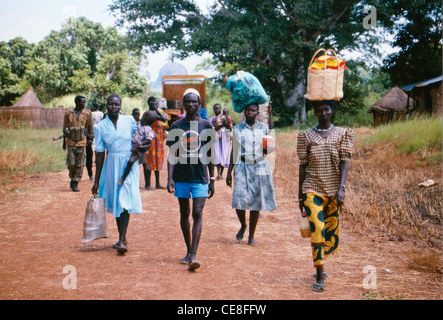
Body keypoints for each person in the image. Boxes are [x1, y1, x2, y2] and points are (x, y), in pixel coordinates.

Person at [297, 100, 354, 292]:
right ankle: (320, 272)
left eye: (326, 109)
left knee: (330, 233)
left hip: (333, 191)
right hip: (312, 189)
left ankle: (321, 263)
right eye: (319, 110)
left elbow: (345, 161)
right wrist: (300, 197)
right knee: (318, 228)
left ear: (332, 110)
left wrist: (341, 189)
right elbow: (302, 166)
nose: (323, 113)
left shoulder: (343, 134)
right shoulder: (306, 136)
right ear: (314, 112)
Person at [91, 94, 150, 255]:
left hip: (128, 164)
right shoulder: (100, 127)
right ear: (107, 105)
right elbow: (99, 154)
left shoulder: (129, 120)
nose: (114, 107)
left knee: (125, 199)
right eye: (111, 104)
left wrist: (139, 153)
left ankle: (122, 239)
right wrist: (96, 181)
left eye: (117, 104)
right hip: (111, 165)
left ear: (120, 105)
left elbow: (139, 137)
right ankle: (121, 237)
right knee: (117, 201)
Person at [166, 88, 216, 271]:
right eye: (188, 101)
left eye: (195, 101)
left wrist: (212, 179)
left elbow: (211, 154)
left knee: (197, 212)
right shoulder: (176, 126)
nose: (191, 104)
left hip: (200, 177)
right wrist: (169, 178)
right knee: (184, 212)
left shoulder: (206, 126)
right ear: (183, 104)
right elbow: (172, 153)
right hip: (181, 177)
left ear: (199, 104)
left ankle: (193, 254)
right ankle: (188, 250)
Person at [226, 103, 277, 246]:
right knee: (239, 199)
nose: (250, 112)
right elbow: (234, 151)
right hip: (242, 166)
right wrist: (229, 172)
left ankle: (251, 236)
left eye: (253, 110)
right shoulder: (238, 129)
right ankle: (243, 225)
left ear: (257, 112)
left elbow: (270, 141)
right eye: (247, 110)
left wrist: (270, 114)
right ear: (244, 111)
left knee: (256, 202)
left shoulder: (263, 127)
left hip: (260, 166)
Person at [63, 95, 94, 192]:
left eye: (85, 102)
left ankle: (76, 182)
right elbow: (65, 128)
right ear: (76, 102)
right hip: (71, 142)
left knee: (80, 164)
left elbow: (90, 126)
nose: (84, 104)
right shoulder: (69, 113)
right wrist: (64, 141)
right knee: (71, 163)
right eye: (82, 102)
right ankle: (72, 178)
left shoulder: (87, 114)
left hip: (82, 142)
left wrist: (90, 139)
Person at [118, 111, 157, 186]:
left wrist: (140, 144)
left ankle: (123, 178)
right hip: (134, 147)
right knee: (130, 162)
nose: (141, 117)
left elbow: (149, 140)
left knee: (130, 161)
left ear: (145, 118)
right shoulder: (141, 126)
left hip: (139, 150)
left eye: (143, 116)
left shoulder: (148, 129)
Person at [144, 96, 168, 190]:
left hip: (158, 140)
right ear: (150, 103)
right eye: (155, 103)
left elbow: (163, 119)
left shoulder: (158, 112)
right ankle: (147, 183)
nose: (157, 104)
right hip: (150, 140)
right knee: (149, 160)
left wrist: (156, 109)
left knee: (157, 160)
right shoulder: (147, 113)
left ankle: (157, 183)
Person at [208, 103, 232, 179]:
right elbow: (213, 129)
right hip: (216, 139)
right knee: (217, 155)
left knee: (224, 155)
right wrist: (222, 125)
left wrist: (226, 124)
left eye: (218, 108)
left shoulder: (225, 118)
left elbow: (230, 128)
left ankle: (220, 174)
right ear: (213, 110)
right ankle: (218, 174)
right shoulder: (211, 119)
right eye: (215, 108)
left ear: (220, 109)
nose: (217, 110)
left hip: (225, 138)